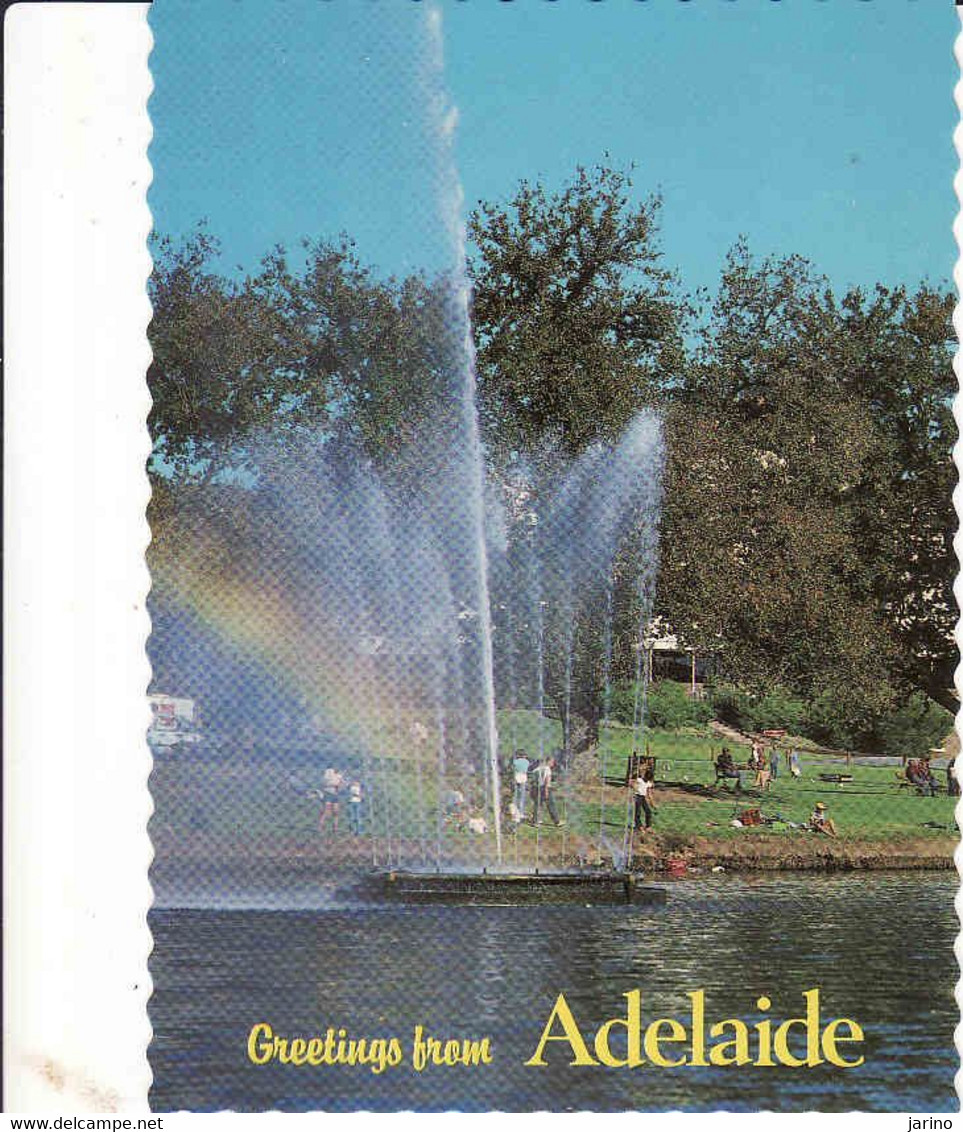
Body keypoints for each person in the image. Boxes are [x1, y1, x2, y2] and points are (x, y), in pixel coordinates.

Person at [532, 757, 563, 827]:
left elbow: (533, 781)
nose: (553, 764)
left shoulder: (536, 769)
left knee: (537, 805)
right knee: (551, 805)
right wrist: (546, 791)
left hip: (536, 788)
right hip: (545, 788)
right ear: (548, 761)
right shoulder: (547, 769)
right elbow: (547, 781)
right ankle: (557, 821)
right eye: (552, 762)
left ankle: (535, 821)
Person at [318, 766, 344, 834]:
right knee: (326, 811)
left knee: (336, 811)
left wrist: (340, 784)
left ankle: (335, 828)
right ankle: (321, 827)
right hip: (328, 794)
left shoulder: (338, 776)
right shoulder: (328, 774)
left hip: (335, 794)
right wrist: (335, 783)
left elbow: (340, 785)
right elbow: (326, 783)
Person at [512, 748, 531, 819]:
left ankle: (514, 812)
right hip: (523, 778)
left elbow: (513, 768)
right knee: (522, 797)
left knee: (515, 796)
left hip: (516, 777)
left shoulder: (515, 761)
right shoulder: (527, 762)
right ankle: (521, 812)